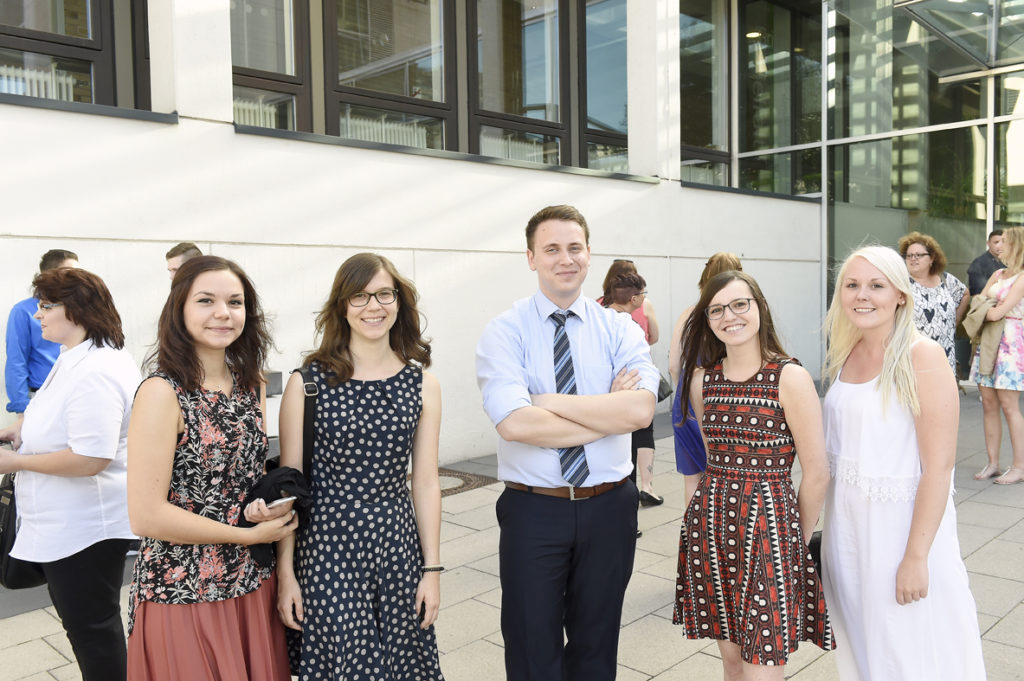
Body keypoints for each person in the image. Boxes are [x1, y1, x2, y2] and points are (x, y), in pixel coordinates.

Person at [476, 205, 658, 681]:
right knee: (532, 649)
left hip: (610, 508)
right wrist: (605, 413)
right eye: (552, 249)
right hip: (534, 511)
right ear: (531, 258)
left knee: (597, 646)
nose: (565, 258)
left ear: (589, 254)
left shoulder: (620, 329)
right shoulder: (504, 331)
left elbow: (639, 411)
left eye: (574, 247)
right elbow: (515, 424)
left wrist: (548, 401)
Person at [274, 252, 444, 680]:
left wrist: (432, 571)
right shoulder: (307, 383)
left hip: (397, 549)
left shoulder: (422, 382)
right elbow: (289, 489)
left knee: (403, 666)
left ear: (399, 302)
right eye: (360, 296)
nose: (373, 306)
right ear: (342, 306)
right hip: (328, 550)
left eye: (384, 294)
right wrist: (286, 575)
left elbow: (424, 482)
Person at [126, 255, 297, 680]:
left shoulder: (250, 383)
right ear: (179, 309)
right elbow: (145, 515)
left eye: (235, 302)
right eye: (206, 300)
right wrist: (245, 534)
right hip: (182, 587)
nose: (223, 313)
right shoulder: (161, 392)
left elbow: (242, 482)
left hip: (251, 581)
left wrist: (263, 508)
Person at [821, 245, 986, 680]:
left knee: (912, 654)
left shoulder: (922, 356)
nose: (863, 295)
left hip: (903, 536)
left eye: (877, 285)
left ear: (900, 295)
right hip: (849, 534)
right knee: (865, 650)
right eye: (852, 285)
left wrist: (915, 557)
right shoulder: (845, 351)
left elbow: (939, 467)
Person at [673, 269, 833, 680]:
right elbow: (714, 459)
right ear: (707, 320)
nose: (730, 316)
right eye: (717, 309)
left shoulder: (790, 378)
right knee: (731, 660)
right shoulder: (701, 381)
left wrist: (792, 541)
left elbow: (816, 473)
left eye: (740, 304)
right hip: (712, 529)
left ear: (759, 307)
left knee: (762, 666)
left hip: (770, 534)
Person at [0, 267, 139, 681]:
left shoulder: (96, 369)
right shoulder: (76, 356)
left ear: (76, 310)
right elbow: (65, 422)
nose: (37, 315)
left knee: (92, 631)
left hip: (86, 528)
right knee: (86, 627)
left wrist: (14, 462)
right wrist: (19, 430)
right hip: (69, 524)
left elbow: (90, 458)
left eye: (46, 306)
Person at [667, 252, 742, 505]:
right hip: (723, 401)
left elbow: (673, 365)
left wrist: (684, 393)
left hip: (687, 400)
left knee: (692, 479)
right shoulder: (737, 318)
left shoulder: (689, 314)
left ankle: (694, 537)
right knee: (728, 474)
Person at [600, 265, 663, 507]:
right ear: (634, 298)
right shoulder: (629, 327)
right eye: (643, 295)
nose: (645, 298)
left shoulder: (597, 317)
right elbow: (650, 343)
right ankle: (630, 511)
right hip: (628, 395)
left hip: (602, 398)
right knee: (629, 457)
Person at [969, 225, 1024, 484]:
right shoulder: (998, 273)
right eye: (998, 242)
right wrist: (988, 307)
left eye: (1005, 242)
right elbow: (977, 303)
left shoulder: (1022, 277)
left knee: (1009, 406)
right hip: (989, 342)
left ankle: (1019, 466)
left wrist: (990, 307)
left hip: (1010, 345)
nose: (999, 246)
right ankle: (993, 462)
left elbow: (993, 313)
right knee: (988, 403)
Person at [5, 248, 78, 418]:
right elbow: (16, 362)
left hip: (74, 395)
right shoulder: (23, 311)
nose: (77, 278)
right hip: (40, 398)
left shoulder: (79, 308)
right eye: (70, 272)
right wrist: (22, 410)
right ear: (50, 274)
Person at [897, 232, 968, 374]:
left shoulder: (946, 279)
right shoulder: (901, 283)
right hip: (913, 357)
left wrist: (956, 318)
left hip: (945, 355)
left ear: (932, 258)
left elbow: (964, 293)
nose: (913, 259)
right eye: (909, 255)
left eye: (918, 255)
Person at [967, 229, 1004, 296]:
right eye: (996, 242)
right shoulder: (979, 264)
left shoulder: (1008, 262)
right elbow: (977, 293)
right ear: (988, 243)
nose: (1000, 245)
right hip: (988, 303)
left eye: (1003, 242)